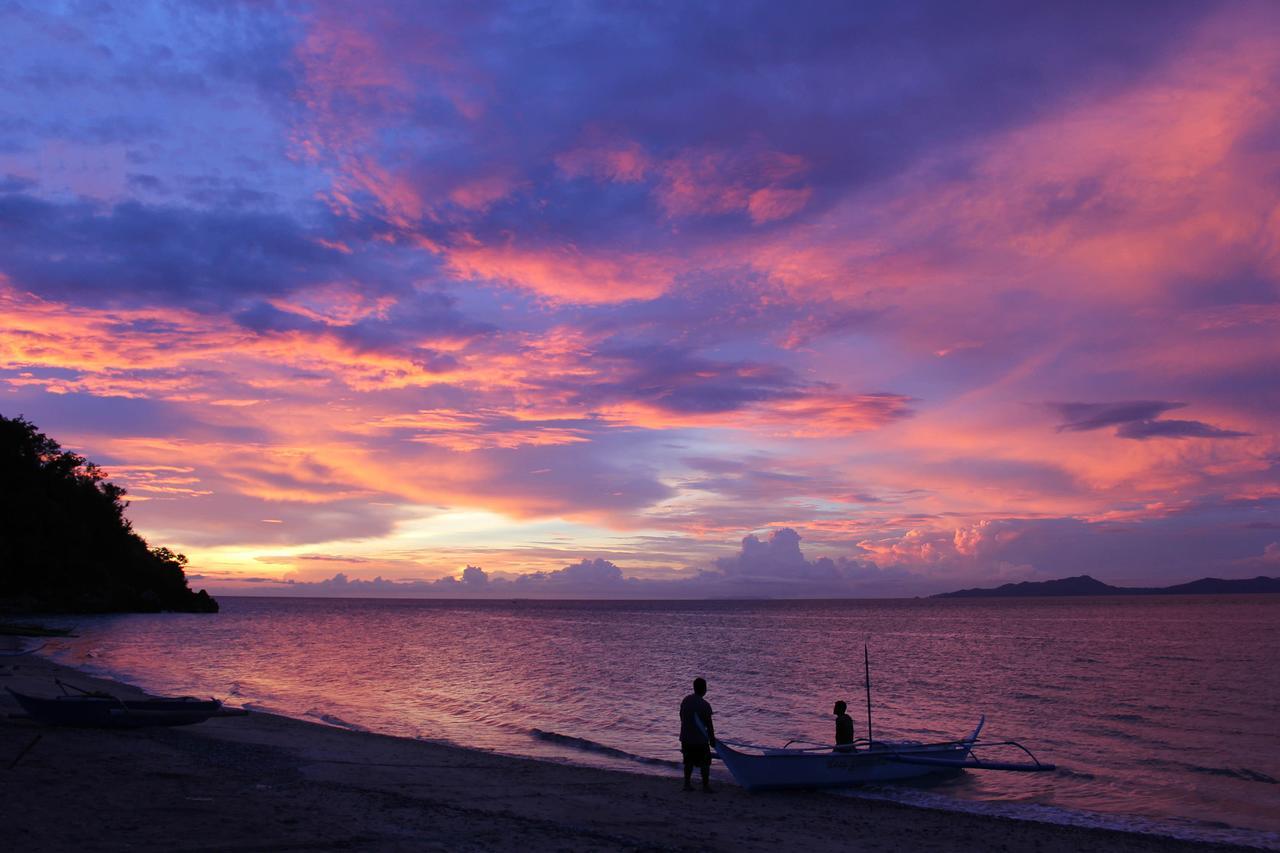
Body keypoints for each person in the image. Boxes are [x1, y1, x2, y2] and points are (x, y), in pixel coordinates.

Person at [679, 677, 715, 792]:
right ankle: (705, 786)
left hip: (686, 737)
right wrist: (712, 739)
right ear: (704, 689)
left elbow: (681, 716)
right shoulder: (705, 705)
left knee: (688, 761)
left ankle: (687, 784)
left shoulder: (686, 700)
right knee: (705, 762)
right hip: (699, 739)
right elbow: (709, 725)